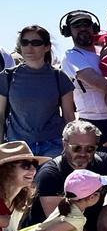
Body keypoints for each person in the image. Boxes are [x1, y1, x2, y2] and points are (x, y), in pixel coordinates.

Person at [0, 25, 76, 156]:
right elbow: (0, 115)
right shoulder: (7, 77)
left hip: (54, 145)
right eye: (25, 43)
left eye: (35, 43)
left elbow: (69, 116)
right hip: (18, 146)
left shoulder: (59, 77)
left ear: (46, 47)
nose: (29, 47)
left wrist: (73, 147)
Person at [62, 10, 107, 154]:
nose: (82, 29)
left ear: (94, 27)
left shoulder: (105, 49)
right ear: (68, 31)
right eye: (76, 26)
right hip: (93, 122)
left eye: (86, 24)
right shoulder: (72, 56)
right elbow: (102, 84)